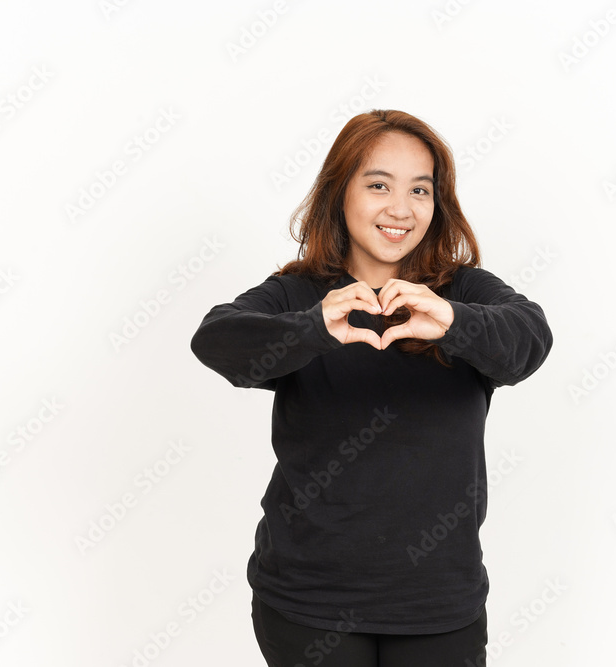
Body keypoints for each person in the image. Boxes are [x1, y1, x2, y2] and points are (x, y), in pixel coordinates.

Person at [190, 109, 553, 666]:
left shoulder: (463, 292)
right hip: (307, 603)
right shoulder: (298, 294)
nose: (400, 209)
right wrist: (312, 329)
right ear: (340, 192)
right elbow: (217, 341)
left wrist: (454, 321)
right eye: (378, 185)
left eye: (420, 190)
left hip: (438, 605)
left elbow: (529, 340)